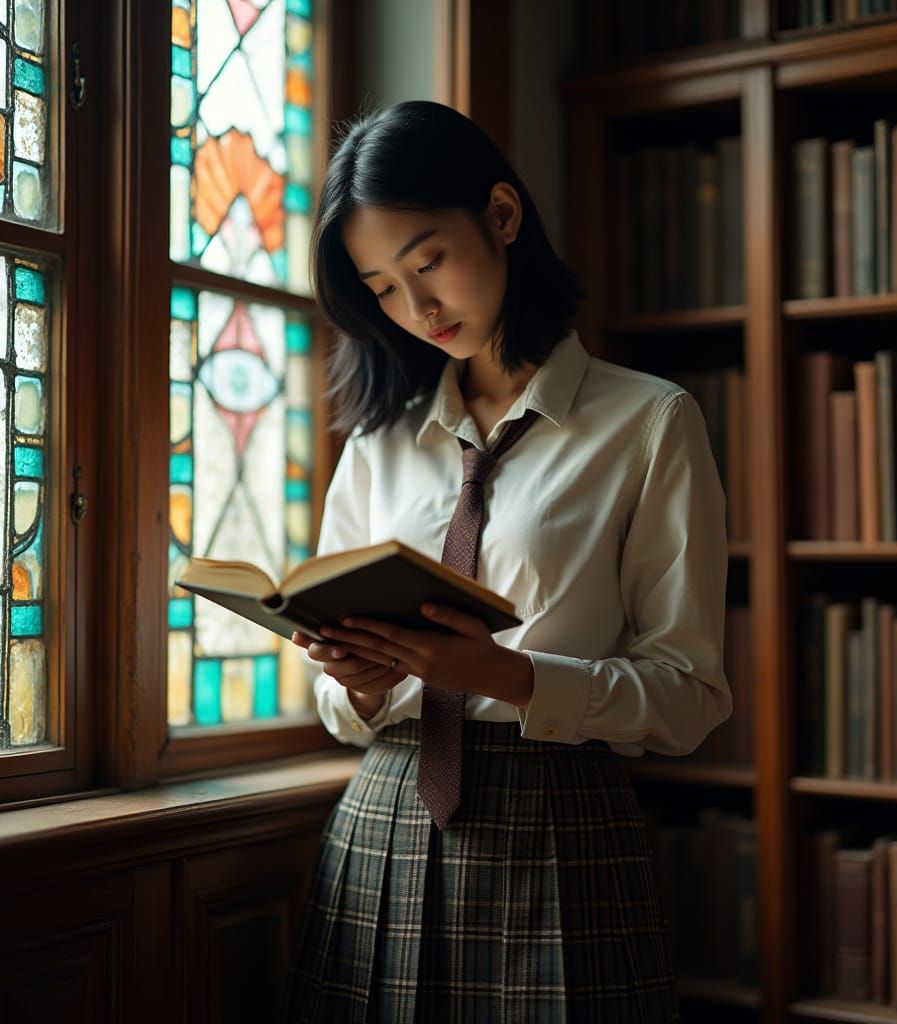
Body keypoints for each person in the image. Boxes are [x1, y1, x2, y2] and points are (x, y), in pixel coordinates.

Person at [280, 99, 731, 1024]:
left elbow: (687, 696)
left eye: (427, 262)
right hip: (384, 821)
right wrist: (360, 681)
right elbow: (335, 707)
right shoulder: (380, 443)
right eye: (381, 288)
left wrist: (507, 676)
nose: (417, 309)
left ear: (502, 214)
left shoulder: (649, 423)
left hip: (559, 826)